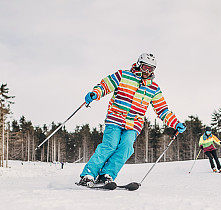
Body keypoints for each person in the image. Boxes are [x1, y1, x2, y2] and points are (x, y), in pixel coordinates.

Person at [78, 53, 186, 186]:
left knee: (126, 147)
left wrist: (175, 123)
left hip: (134, 124)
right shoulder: (123, 76)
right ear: (139, 65)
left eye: (151, 69)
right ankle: (88, 174)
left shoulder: (153, 88)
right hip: (115, 118)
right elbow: (105, 85)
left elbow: (162, 109)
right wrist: (96, 93)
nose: (147, 71)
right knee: (110, 145)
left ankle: (107, 174)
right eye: (145, 67)